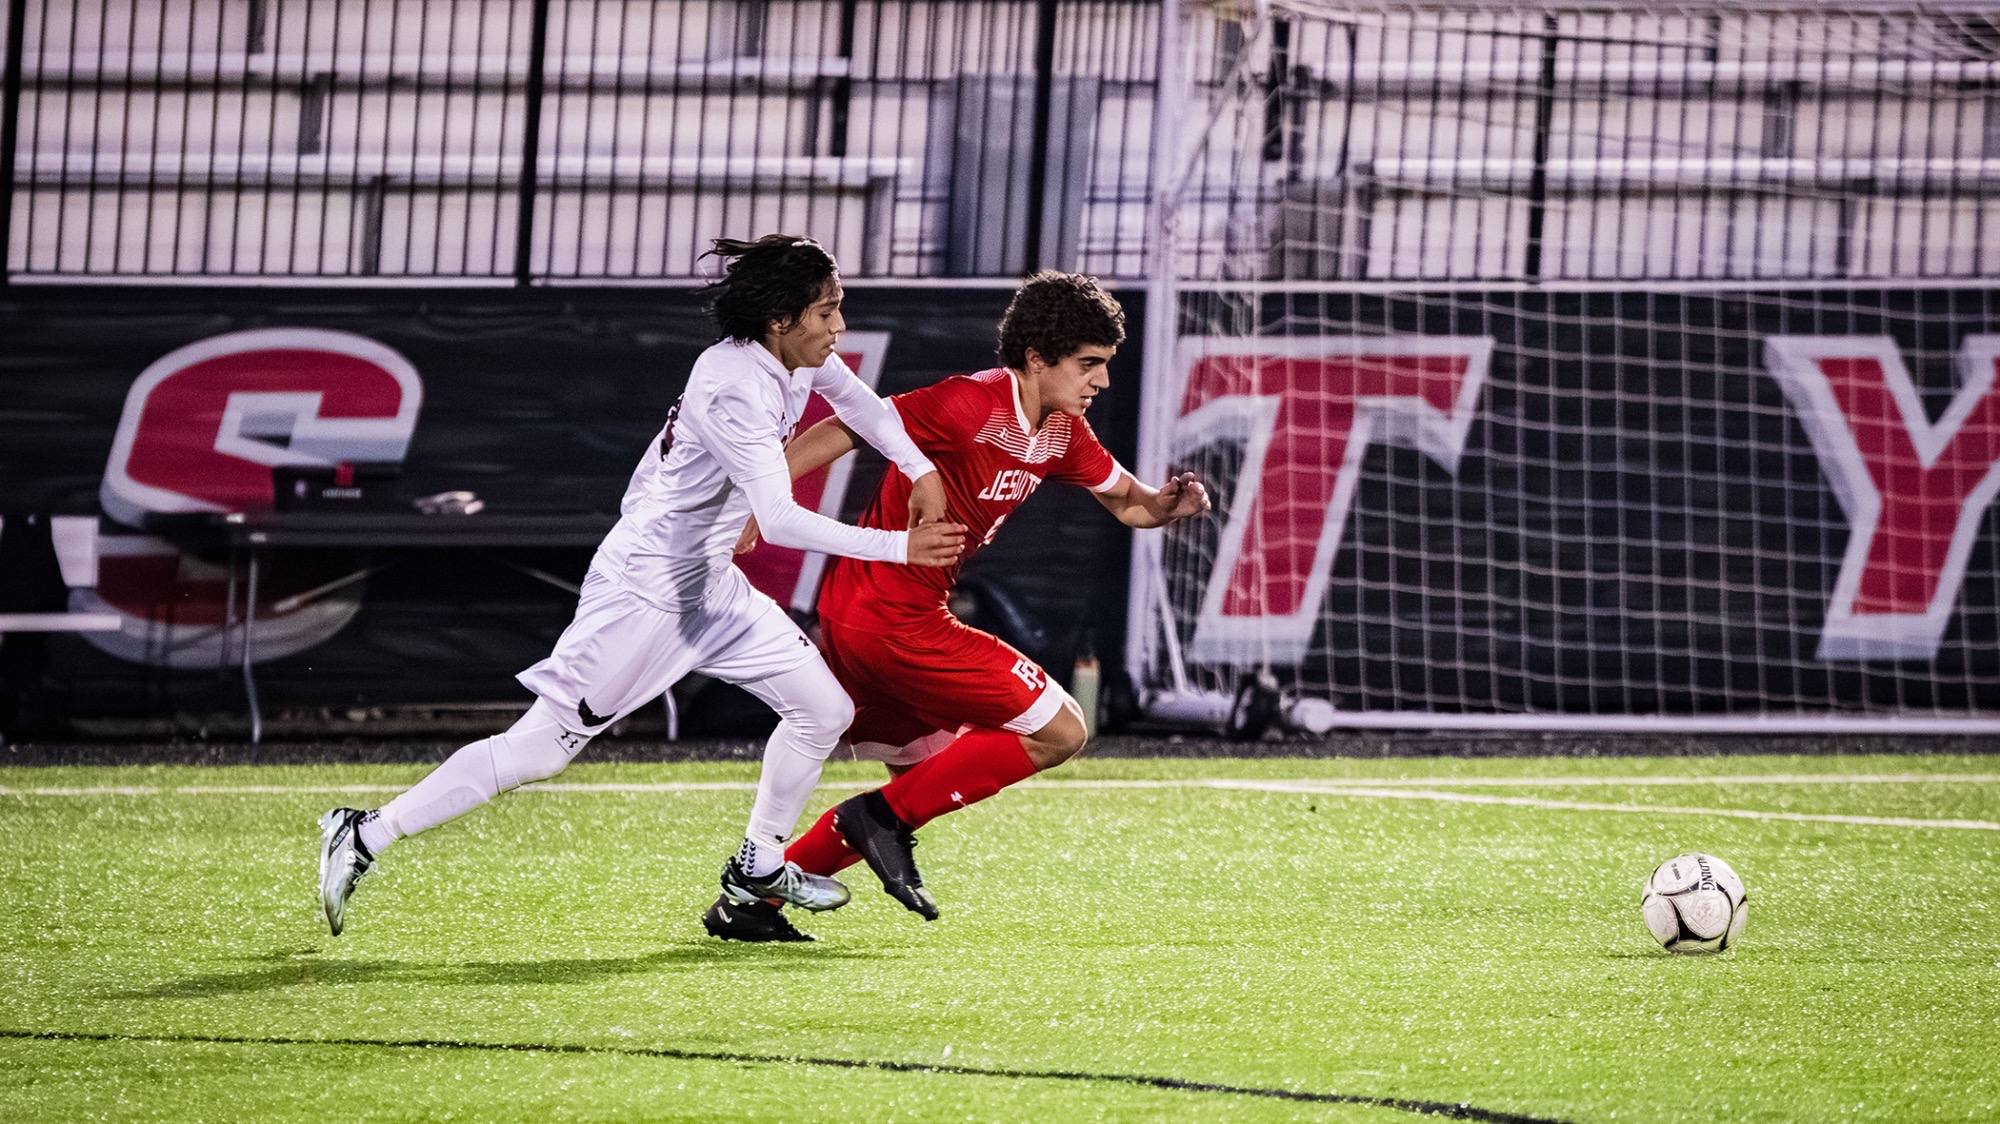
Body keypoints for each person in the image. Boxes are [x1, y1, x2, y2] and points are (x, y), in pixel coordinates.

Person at [317, 235, 968, 936]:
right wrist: (901, 546)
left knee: (822, 710)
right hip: (646, 593)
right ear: (781, 318)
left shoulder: (790, 356)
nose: (837, 327)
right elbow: (778, 520)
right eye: (827, 311)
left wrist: (921, 470)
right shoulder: (732, 383)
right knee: (541, 750)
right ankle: (364, 833)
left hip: (711, 586)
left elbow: (867, 406)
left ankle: (756, 865)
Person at [705, 270, 1208, 941]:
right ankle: (872, 822)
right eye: (1089, 364)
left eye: (1106, 366)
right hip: (892, 614)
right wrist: (756, 497)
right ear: (1037, 357)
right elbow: (855, 426)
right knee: (1060, 730)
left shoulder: (1061, 431)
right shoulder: (971, 405)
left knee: (927, 780)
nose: (1101, 382)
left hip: (867, 609)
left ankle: (751, 901)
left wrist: (1168, 506)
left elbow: (1128, 501)